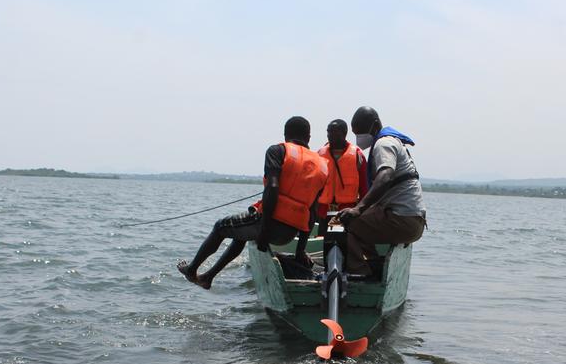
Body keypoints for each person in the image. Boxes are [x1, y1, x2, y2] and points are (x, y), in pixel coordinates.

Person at [177, 116, 328, 289]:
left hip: (270, 224)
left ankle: (191, 270)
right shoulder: (322, 166)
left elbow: (272, 188)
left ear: (285, 135)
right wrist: (301, 250)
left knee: (220, 227)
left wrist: (264, 230)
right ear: (309, 137)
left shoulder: (278, 151)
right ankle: (208, 277)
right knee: (239, 235)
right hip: (290, 233)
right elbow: (312, 210)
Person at [337, 106, 426, 277]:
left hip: (402, 220)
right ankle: (375, 263)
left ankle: (361, 274)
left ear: (375, 124)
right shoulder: (392, 141)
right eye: (356, 134)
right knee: (360, 218)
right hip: (413, 220)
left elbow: (385, 176)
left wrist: (358, 209)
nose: (359, 138)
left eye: (361, 132)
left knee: (343, 224)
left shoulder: (383, 144)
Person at [315, 119, 369, 219]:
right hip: (323, 211)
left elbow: (364, 188)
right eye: (328, 131)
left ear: (344, 133)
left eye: (334, 132)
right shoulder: (319, 155)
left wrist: (360, 211)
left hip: (348, 211)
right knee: (321, 235)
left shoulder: (357, 156)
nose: (330, 135)